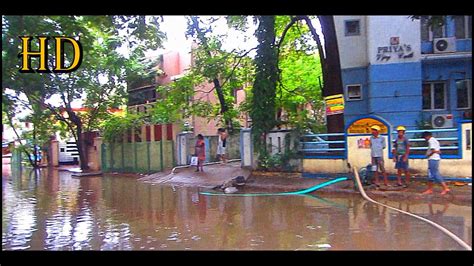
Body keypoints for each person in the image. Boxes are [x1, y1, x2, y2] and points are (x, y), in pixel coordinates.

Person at [421, 131, 450, 195]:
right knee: (430, 175)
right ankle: (430, 189)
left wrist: (428, 155)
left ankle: (445, 188)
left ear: (427, 136)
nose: (425, 139)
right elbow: (437, 151)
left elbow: (433, 150)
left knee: (435, 174)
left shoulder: (431, 141)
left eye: (425, 137)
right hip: (433, 159)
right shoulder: (434, 141)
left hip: (433, 159)